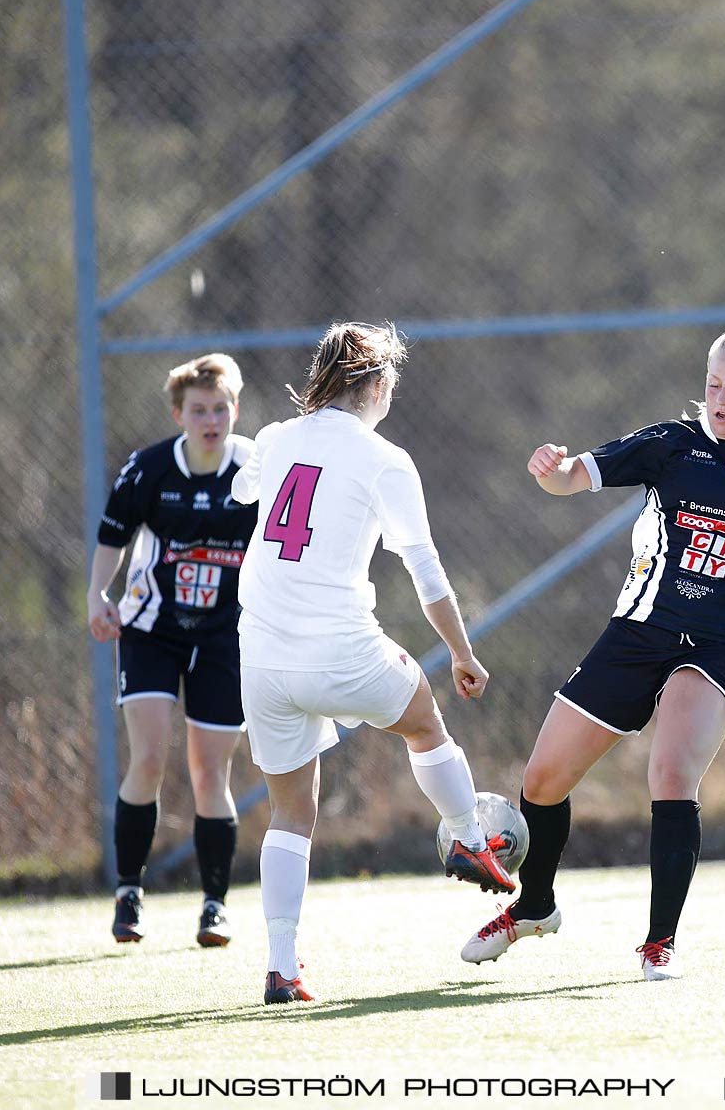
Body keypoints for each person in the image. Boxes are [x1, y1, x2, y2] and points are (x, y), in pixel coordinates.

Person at [460, 325, 725, 980]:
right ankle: (535, 906)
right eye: (713, 384)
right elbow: (577, 476)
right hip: (639, 631)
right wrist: (552, 469)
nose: (720, 399)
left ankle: (658, 942)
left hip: (720, 641)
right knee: (542, 782)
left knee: (670, 774)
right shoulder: (671, 443)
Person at [231, 321, 515, 1005]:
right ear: (380, 383)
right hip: (339, 649)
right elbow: (426, 569)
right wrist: (461, 652)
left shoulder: (276, 438)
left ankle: (280, 965)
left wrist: (255, 451)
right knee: (425, 724)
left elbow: (246, 491)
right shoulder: (385, 458)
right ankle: (471, 836)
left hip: (263, 658)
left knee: (290, 815)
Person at [87, 353, 257, 949]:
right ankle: (129, 891)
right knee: (150, 759)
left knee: (212, 770)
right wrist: (96, 596)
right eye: (198, 410)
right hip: (152, 628)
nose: (211, 420)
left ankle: (214, 905)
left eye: (220, 409)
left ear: (234, 410)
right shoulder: (151, 469)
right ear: (179, 414)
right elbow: (113, 535)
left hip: (224, 637)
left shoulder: (257, 471)